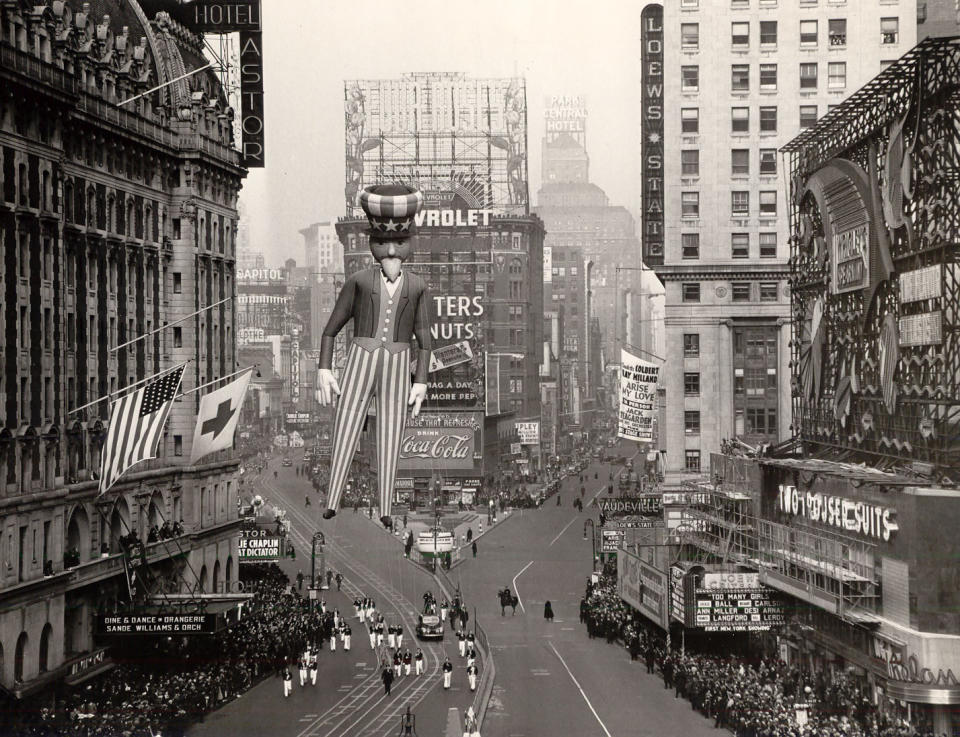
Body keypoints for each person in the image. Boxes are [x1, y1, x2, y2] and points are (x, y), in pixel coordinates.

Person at [317, 185, 431, 530]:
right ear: (373, 242)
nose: (392, 250)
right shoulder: (359, 281)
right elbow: (331, 328)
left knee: (392, 428)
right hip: (361, 355)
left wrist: (421, 381)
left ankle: (385, 505)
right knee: (346, 422)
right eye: (383, 242)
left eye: (399, 242)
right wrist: (324, 368)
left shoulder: (418, 286)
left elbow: (425, 340)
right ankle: (333, 497)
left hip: (398, 360)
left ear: (409, 241)